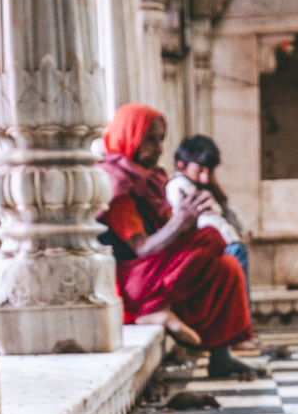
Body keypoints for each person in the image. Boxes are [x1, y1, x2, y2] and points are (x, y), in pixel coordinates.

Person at [96, 103, 259, 379]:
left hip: (151, 273)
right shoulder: (116, 184)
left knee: (227, 267)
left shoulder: (149, 181)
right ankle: (148, 312)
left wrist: (188, 222)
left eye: (161, 139)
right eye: (150, 139)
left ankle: (221, 356)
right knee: (211, 238)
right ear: (129, 135)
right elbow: (141, 248)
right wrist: (179, 224)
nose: (159, 148)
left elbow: (170, 235)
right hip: (128, 283)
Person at [166, 134, 251, 309]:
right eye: (200, 171)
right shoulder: (179, 187)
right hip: (203, 251)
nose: (206, 178)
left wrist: (220, 196)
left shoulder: (202, 188)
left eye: (210, 172)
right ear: (180, 166)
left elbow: (241, 228)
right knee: (237, 250)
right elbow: (207, 226)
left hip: (222, 248)